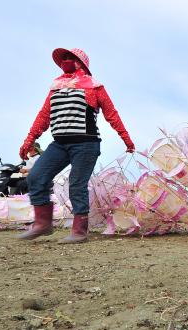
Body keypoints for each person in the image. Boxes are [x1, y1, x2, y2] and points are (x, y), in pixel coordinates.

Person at [17, 48, 135, 243]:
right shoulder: (55, 88)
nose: (66, 61)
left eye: (70, 58)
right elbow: (44, 116)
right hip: (59, 144)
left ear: (81, 63)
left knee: (76, 184)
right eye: (64, 58)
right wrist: (29, 140)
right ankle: (43, 224)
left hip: (86, 144)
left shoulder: (94, 87)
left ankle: (79, 231)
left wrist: (126, 140)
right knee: (36, 177)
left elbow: (111, 114)